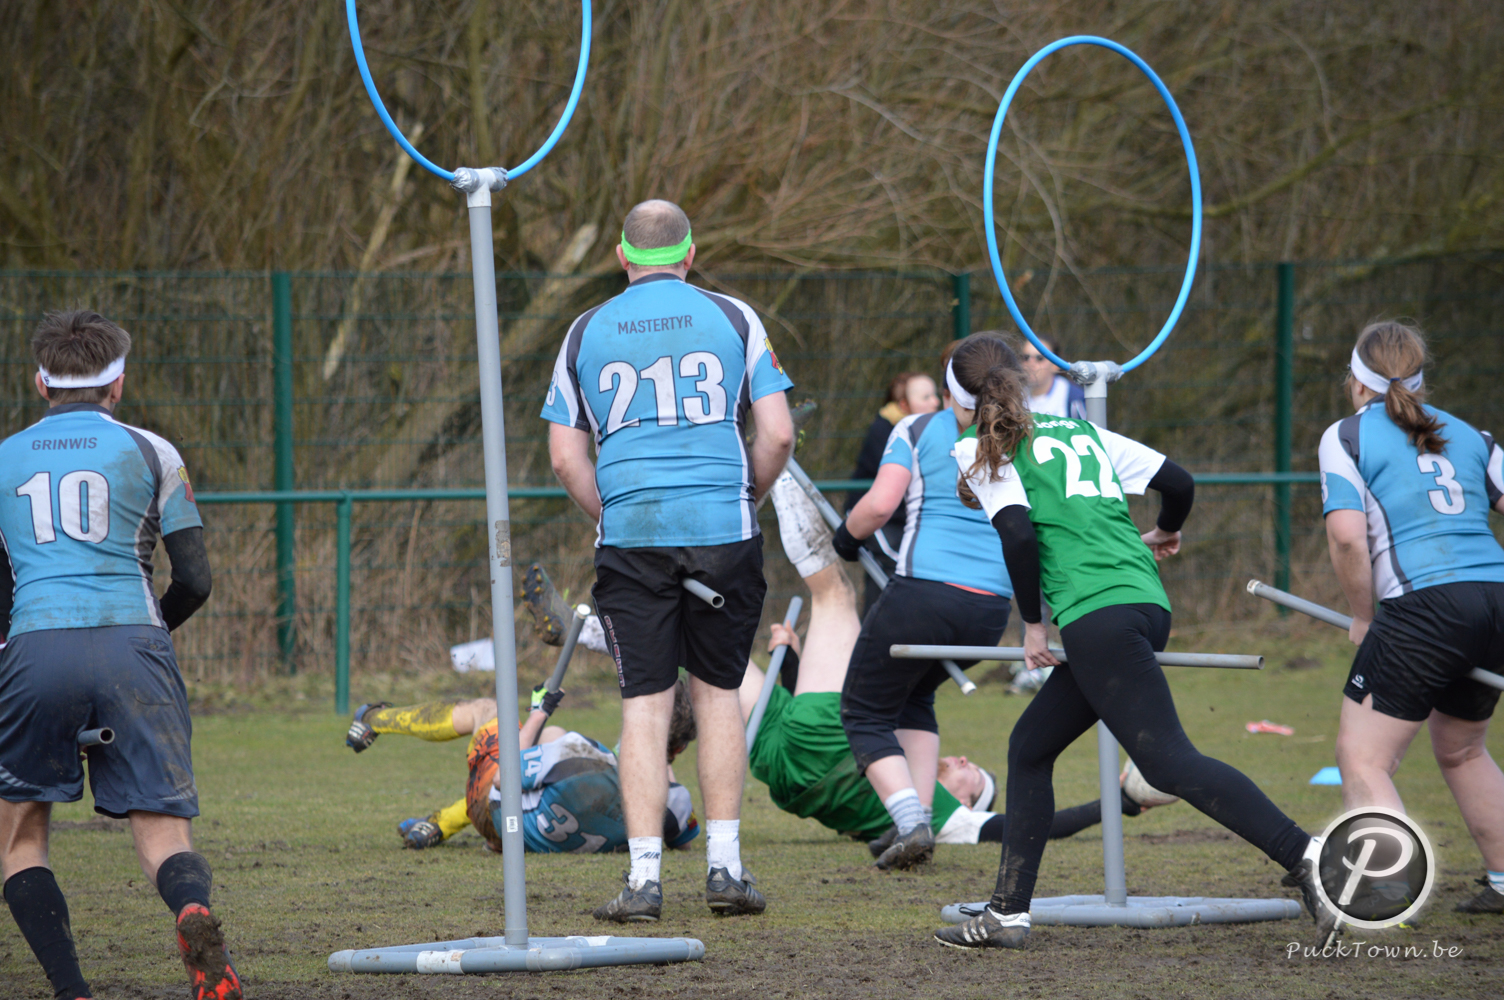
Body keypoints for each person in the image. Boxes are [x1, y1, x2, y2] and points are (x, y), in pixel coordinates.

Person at [933, 331, 1329, 950]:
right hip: (1145, 605)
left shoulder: (980, 450)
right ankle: (1008, 911)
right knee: (1029, 746)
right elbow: (1181, 482)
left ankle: (1309, 856)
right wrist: (1165, 532)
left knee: (1168, 761)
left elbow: (1019, 536)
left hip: (1099, 618)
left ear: (959, 398)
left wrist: (1034, 624)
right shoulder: (1082, 431)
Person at [541, 199, 794, 921]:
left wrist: (612, 511)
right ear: (689, 254)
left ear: (622, 257)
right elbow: (775, 434)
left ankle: (645, 881)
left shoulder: (585, 329)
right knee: (717, 696)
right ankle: (724, 871)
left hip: (632, 539)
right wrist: (744, 494)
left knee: (645, 709)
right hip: (724, 531)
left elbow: (565, 456)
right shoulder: (736, 317)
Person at [0, 311, 235, 1000]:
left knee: (19, 839)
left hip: (35, 647)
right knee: (165, 833)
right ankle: (193, 915)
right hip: (135, 642)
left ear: (42, 382)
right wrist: (151, 633)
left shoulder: (3, 457)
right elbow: (195, 578)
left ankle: (73, 990)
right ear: (118, 384)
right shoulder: (155, 451)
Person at [745, 474, 1174, 851]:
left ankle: (778, 470)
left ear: (969, 805)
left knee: (834, 594)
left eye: (976, 780)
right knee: (707, 665)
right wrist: (792, 668)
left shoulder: (943, 819)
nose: (965, 760)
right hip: (785, 766)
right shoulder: (904, 765)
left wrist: (1120, 804)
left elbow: (1039, 826)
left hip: (816, 738)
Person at [1319, 320, 1504, 915]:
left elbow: (1347, 539)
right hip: (1495, 600)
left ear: (1355, 379)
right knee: (1462, 749)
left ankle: (1388, 888)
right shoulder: (1475, 436)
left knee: (1364, 757)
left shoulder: (1346, 436)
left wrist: (1363, 617)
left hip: (1422, 608)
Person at [829, 347, 1016, 872]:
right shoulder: (1026, 437)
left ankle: (911, 820)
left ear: (948, 388)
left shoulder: (917, 428)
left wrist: (847, 537)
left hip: (924, 594)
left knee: (863, 709)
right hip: (990, 612)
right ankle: (920, 819)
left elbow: (881, 505)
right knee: (913, 697)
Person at [345, 682, 700, 857]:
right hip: (525, 841)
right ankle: (440, 823)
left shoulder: (580, 753)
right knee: (548, 750)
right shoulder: (678, 804)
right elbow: (681, 841)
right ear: (680, 747)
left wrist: (538, 713)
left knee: (492, 711)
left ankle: (374, 718)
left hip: (497, 813)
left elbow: (506, 775)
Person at [846, 372, 944, 615]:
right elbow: (888, 496)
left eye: (935, 395)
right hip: (874, 516)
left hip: (905, 518)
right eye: (926, 397)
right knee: (898, 563)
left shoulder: (937, 429)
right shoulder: (887, 432)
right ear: (904, 406)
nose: (935, 402)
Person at [1016, 331, 1087, 419]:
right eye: (1026, 358)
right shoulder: (1016, 398)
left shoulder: (1073, 397)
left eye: (1040, 358)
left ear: (1055, 364)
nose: (1031, 364)